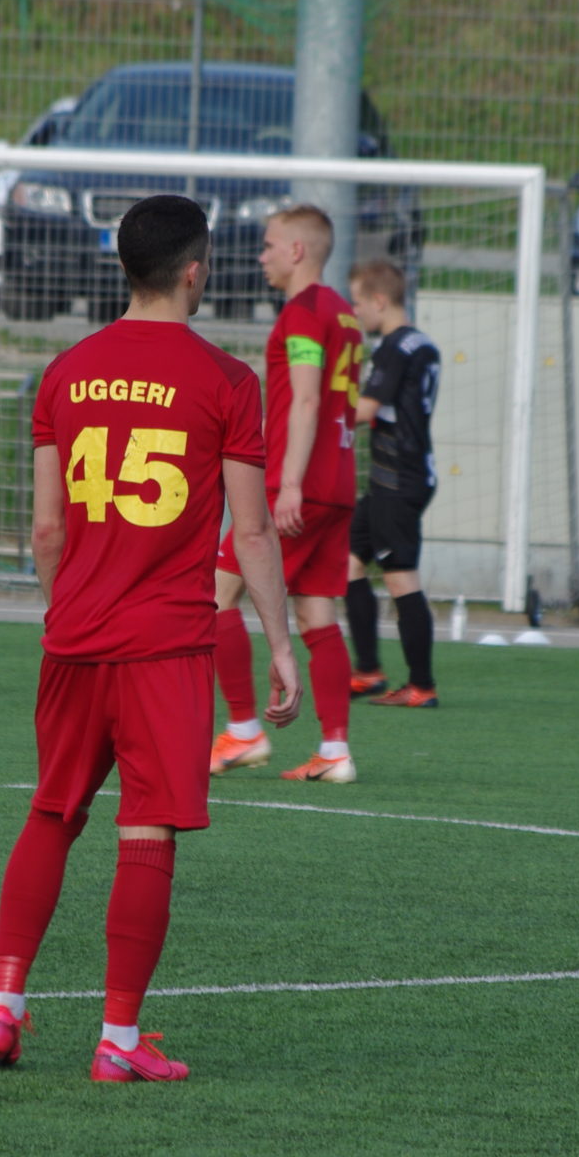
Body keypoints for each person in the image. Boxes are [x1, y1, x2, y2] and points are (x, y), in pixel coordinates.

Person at [0, 193, 300, 1084]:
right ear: (195, 272)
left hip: (74, 639)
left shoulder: (65, 371)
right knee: (146, 830)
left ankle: (2, 1005)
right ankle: (117, 1038)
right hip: (167, 648)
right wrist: (281, 642)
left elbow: (46, 529)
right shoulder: (227, 381)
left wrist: (65, 610)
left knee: (52, 811)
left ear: (124, 267)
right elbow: (252, 531)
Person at [210, 204, 365, 784]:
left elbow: (304, 399)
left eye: (270, 245)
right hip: (339, 484)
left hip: (296, 486)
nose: (262, 257)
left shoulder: (302, 314)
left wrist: (291, 482)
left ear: (297, 251)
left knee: (213, 596)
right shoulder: (344, 313)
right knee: (317, 613)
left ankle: (244, 731)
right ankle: (334, 750)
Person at [342, 257, 444, 707]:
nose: (355, 311)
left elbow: (365, 410)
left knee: (401, 578)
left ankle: (421, 685)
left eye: (358, 302)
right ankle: (368, 671)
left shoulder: (394, 347)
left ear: (379, 301)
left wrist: (313, 419)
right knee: (347, 562)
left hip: (398, 479)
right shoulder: (421, 342)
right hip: (399, 476)